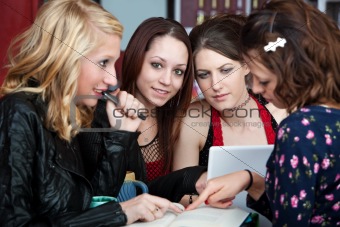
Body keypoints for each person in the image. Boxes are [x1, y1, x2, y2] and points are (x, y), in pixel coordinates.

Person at [0, 0, 182, 225]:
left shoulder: (72, 113)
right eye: (103, 62)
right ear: (65, 57)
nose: (112, 79)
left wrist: (120, 134)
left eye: (113, 63)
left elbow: (93, 204)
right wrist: (121, 212)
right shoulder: (18, 112)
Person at [187, 0, 340, 226]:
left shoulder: (298, 130)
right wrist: (251, 180)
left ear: (295, 68)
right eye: (203, 74)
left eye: (265, 80)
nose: (256, 89)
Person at [79, 17, 206, 202]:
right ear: (135, 58)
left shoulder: (177, 119)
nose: (167, 80)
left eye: (178, 71)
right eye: (157, 65)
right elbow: (96, 199)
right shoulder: (98, 115)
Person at [172, 14, 286, 206]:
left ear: (246, 65)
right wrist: (205, 200)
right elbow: (178, 192)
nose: (215, 85)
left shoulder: (280, 114)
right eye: (204, 74)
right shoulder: (194, 119)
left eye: (225, 70)